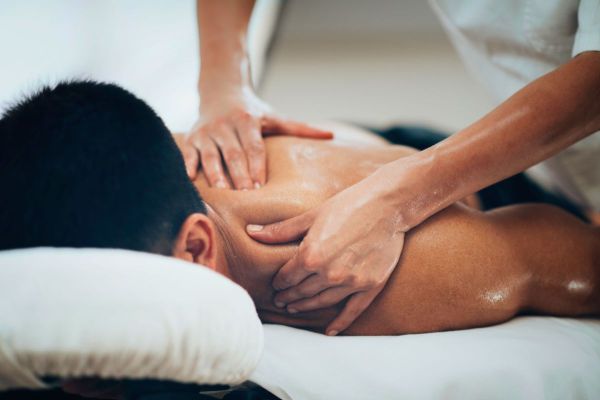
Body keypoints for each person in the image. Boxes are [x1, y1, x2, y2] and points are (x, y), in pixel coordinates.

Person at [2, 81, 598, 337]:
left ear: (198, 249)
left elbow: (574, 261)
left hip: (488, 186)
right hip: (343, 140)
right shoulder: (122, 168)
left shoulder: (383, 282)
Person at [189, 0, 600, 335]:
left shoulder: (421, 268)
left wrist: (398, 199)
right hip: (409, 151)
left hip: (469, 183)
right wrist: (224, 85)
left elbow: (583, 267)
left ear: (196, 247)